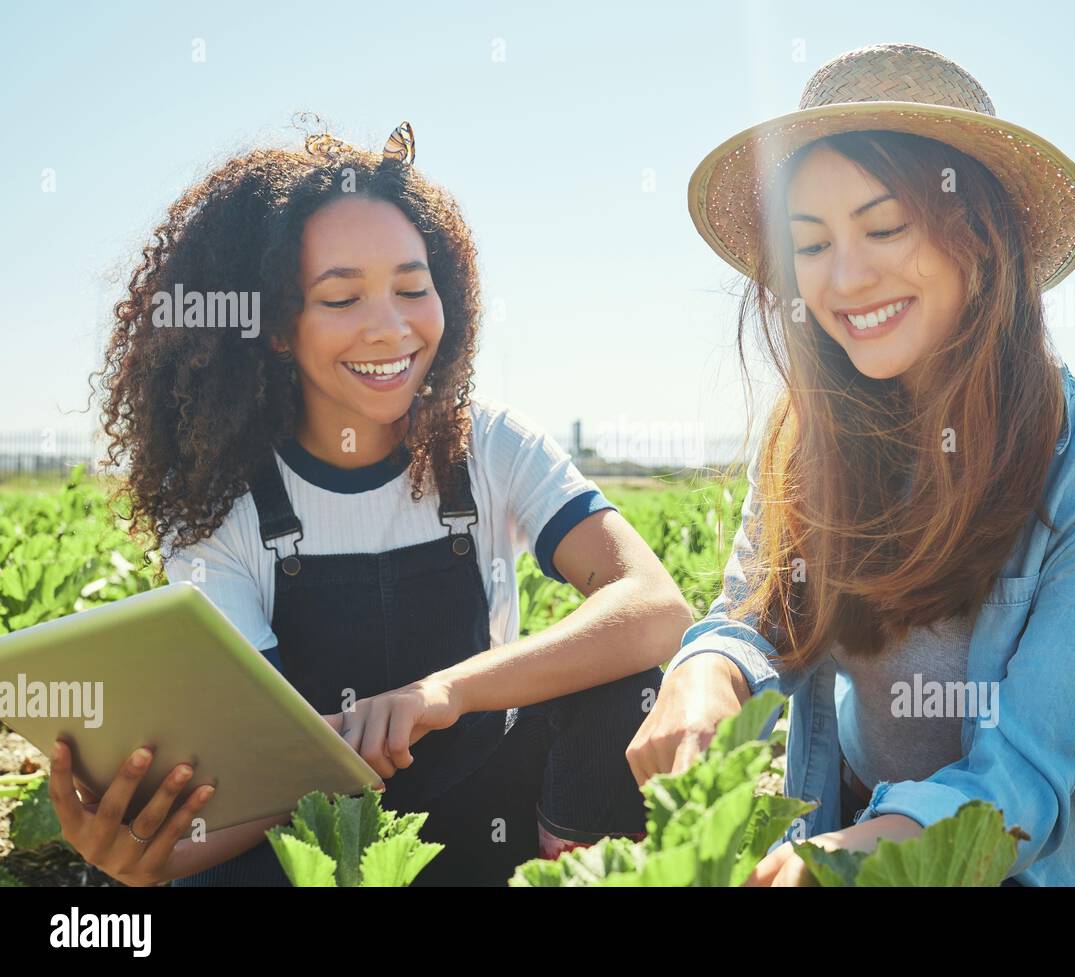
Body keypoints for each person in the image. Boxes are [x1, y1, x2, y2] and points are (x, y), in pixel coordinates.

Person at [48, 118, 692, 886]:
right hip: (313, 832)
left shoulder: (488, 446)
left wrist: (442, 693)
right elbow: (251, 781)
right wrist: (148, 855)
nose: (390, 327)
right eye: (342, 296)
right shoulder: (223, 508)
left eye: (412, 289)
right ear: (280, 328)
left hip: (489, 822)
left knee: (633, 683)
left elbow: (654, 604)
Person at [626, 43, 1075, 886]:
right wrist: (706, 667)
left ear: (983, 235)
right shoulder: (808, 435)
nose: (846, 277)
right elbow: (754, 613)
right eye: (810, 244)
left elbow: (1021, 782)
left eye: (885, 226)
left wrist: (842, 860)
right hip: (850, 828)